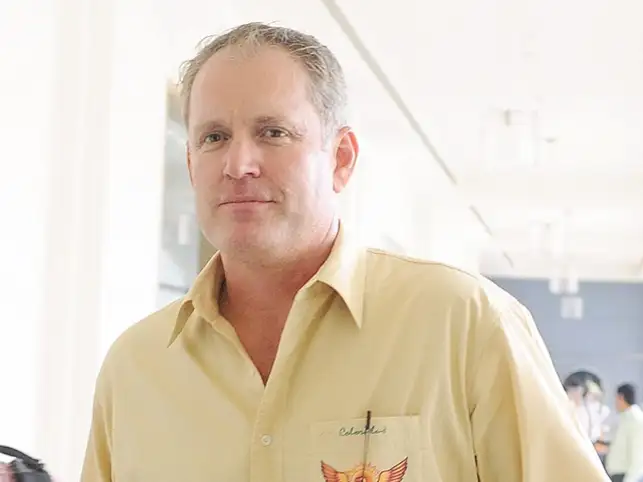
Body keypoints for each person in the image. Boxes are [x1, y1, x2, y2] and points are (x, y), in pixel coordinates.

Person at [80, 22, 609, 481]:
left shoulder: (465, 325)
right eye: (214, 137)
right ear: (192, 165)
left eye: (273, 132)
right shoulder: (135, 368)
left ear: (341, 159)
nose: (238, 164)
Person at [606, 384, 643, 482]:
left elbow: (638, 455)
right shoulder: (624, 418)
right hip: (617, 475)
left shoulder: (635, 420)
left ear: (621, 397)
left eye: (616, 399)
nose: (615, 403)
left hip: (626, 476)